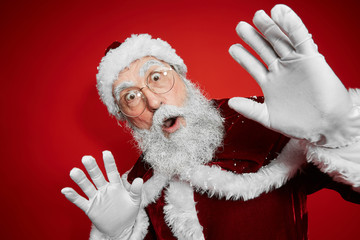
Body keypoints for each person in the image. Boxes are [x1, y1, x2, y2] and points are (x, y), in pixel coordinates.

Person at [61, 4, 360, 240]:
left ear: (183, 77)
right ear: (125, 119)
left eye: (156, 78)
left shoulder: (260, 118)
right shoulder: (134, 186)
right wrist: (121, 235)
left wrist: (340, 135)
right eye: (131, 98)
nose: (153, 102)